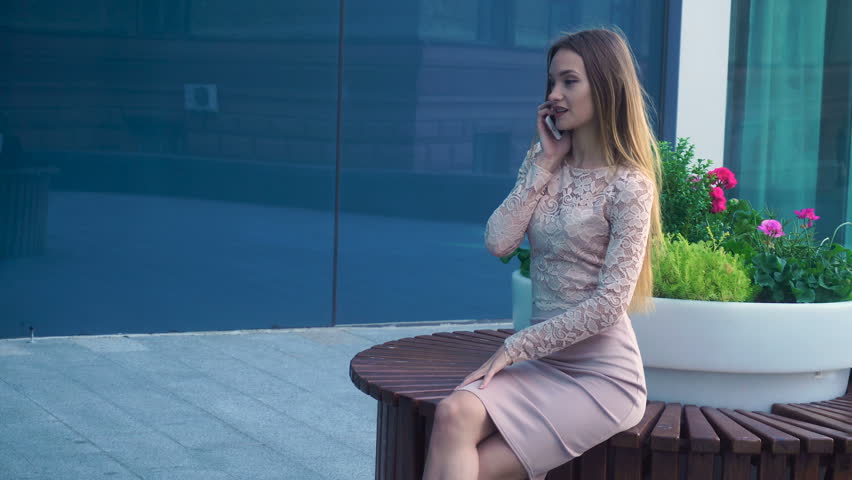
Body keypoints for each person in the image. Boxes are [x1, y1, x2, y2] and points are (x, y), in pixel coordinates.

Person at [422, 28, 663, 480]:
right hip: (543, 363)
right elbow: (498, 241)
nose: (554, 95)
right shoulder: (545, 162)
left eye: (569, 81)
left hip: (601, 377)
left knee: (467, 460)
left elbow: (611, 305)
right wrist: (545, 163)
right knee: (454, 413)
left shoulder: (630, 185)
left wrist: (518, 346)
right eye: (551, 81)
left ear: (607, 86)